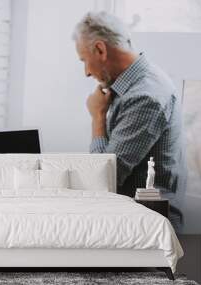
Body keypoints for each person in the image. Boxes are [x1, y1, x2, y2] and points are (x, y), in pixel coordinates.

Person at [72, 12, 186, 227]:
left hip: (145, 228)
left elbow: (104, 182)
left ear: (100, 49)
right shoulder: (134, 85)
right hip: (135, 218)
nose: (86, 72)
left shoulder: (144, 97)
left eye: (84, 61)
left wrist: (97, 117)